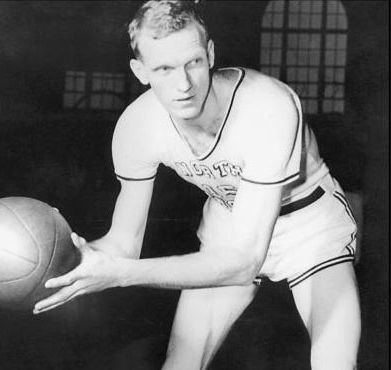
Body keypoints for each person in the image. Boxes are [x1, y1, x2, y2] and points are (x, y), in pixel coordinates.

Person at [33, 1, 361, 369]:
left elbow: (242, 262)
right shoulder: (137, 127)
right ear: (140, 71)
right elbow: (123, 244)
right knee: (180, 365)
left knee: (335, 363)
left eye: (193, 63)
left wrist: (120, 275)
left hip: (309, 224)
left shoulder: (268, 106)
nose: (184, 84)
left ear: (210, 53)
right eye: (164, 68)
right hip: (228, 217)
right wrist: (72, 257)